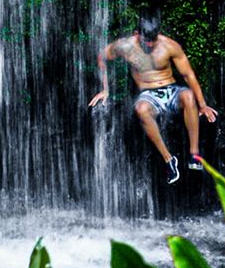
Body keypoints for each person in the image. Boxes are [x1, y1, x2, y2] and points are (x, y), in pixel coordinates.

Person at [88, 15, 217, 183]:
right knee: (140, 109)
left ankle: (194, 155)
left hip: (171, 90)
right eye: (146, 40)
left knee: (188, 95)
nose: (150, 44)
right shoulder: (125, 46)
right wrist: (105, 89)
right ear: (136, 34)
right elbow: (102, 57)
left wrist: (203, 105)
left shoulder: (170, 46)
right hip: (148, 94)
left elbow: (188, 74)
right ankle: (169, 160)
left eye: (153, 40)